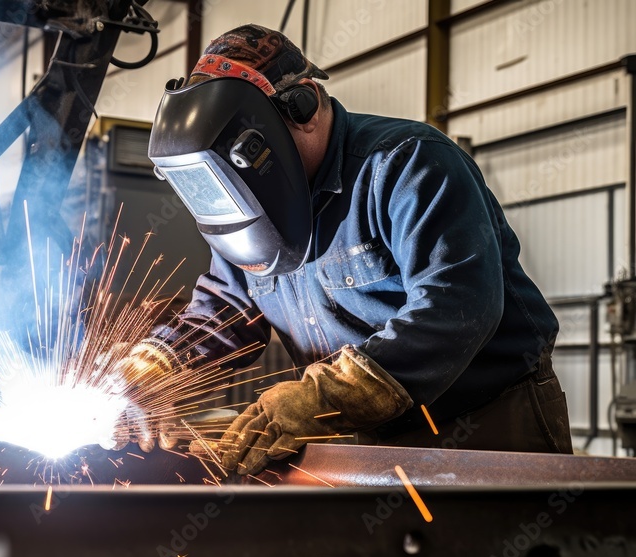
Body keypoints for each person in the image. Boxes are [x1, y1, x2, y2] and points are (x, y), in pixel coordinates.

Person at [115, 24, 572, 475]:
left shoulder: (408, 163)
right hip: (362, 432)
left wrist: (323, 398)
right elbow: (227, 309)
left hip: (486, 423)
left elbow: (457, 304)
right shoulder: (251, 209)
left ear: (305, 106)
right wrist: (154, 368)